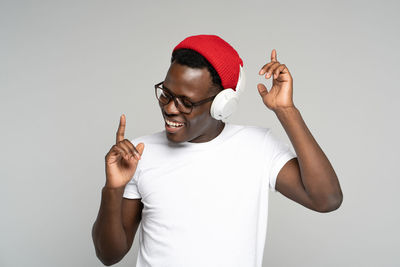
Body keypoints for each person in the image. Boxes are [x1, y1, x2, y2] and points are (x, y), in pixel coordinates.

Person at [92, 34, 343, 267]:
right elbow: (109, 255)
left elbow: (327, 199)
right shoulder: (139, 154)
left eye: (186, 102)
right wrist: (112, 189)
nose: (169, 108)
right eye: (166, 94)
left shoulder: (257, 147)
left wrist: (286, 110)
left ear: (222, 104)